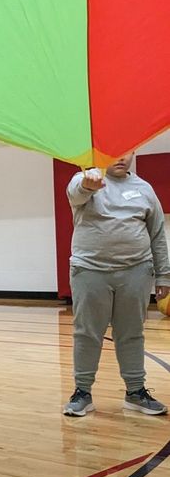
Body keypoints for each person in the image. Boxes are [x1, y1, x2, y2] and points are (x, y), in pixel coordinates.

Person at [63, 153, 170, 416]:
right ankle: (82, 393)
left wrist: (164, 275)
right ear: (100, 153)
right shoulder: (85, 180)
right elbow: (75, 193)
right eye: (114, 152)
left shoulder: (144, 189)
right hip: (89, 271)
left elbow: (157, 234)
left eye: (128, 151)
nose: (122, 158)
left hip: (136, 272)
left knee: (131, 333)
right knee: (87, 333)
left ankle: (135, 392)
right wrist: (88, 185)